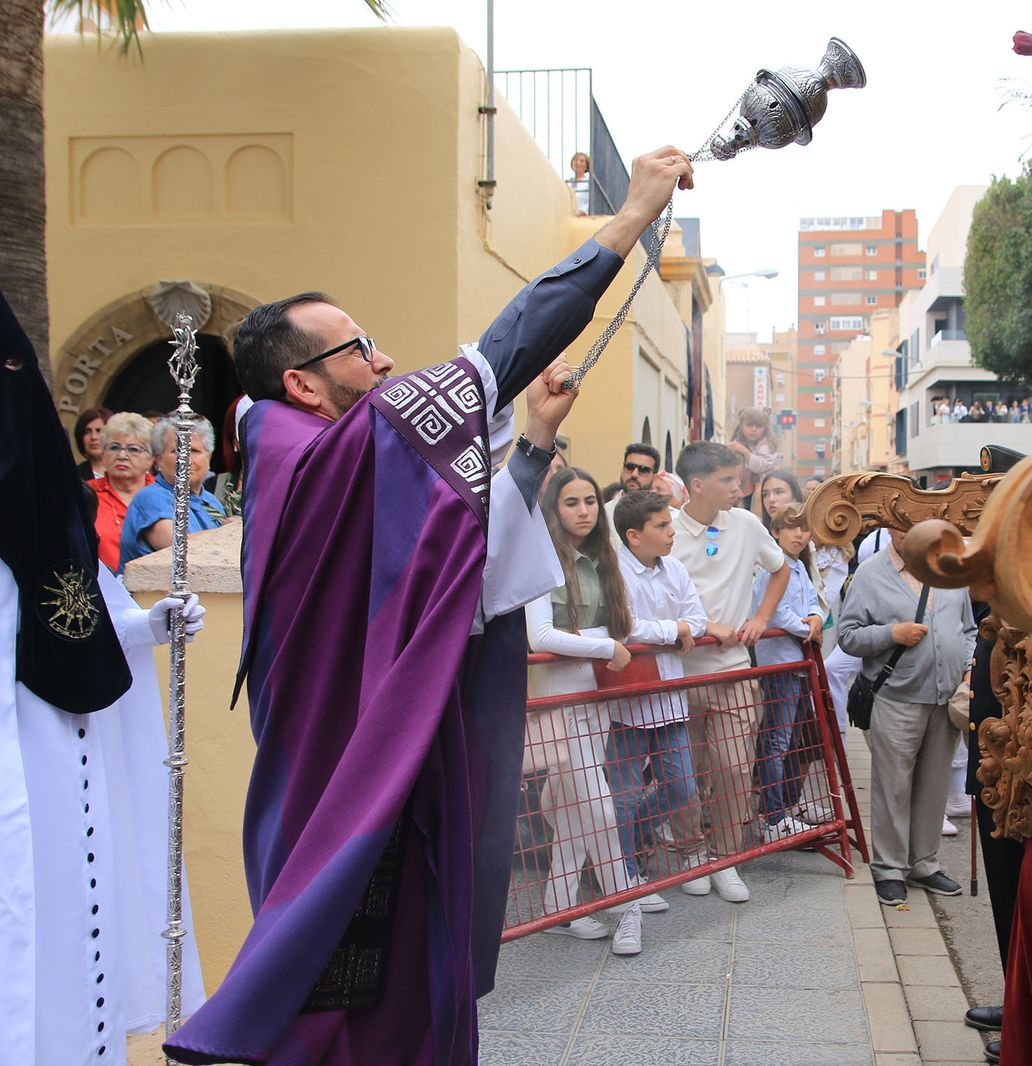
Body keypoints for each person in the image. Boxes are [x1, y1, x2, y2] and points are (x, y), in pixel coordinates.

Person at [164, 145, 694, 1065]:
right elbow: (502, 350)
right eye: (356, 349)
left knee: (393, 983)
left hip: (362, 765)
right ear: (300, 383)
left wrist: (534, 442)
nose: (383, 361)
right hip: (353, 779)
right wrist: (630, 218)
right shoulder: (321, 456)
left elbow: (463, 560)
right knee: (362, 999)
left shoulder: (310, 457)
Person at [1, 290, 206, 1066]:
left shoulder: (50, 520)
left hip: (52, 764)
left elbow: (87, 619)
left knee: (63, 934)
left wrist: (150, 627)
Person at [525, 467, 655, 957]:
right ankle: (627, 905)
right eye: (571, 502)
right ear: (553, 510)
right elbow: (539, 636)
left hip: (594, 700)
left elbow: (623, 627)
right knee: (595, 806)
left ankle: (559, 908)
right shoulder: (541, 560)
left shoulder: (603, 559)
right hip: (557, 706)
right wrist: (603, 647)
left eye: (589, 502)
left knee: (575, 809)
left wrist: (590, 639)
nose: (583, 511)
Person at [669, 441, 789, 902]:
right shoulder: (666, 530)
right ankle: (691, 853)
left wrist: (762, 617)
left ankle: (726, 858)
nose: (739, 488)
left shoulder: (745, 524)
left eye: (738, 479)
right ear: (697, 485)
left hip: (734, 670)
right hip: (678, 675)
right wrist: (696, 628)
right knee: (684, 774)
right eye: (728, 480)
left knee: (734, 769)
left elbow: (780, 569)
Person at [837, 527, 976, 907]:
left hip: (944, 697)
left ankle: (924, 863)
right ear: (890, 527)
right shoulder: (870, 573)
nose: (913, 530)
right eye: (903, 524)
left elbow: (968, 629)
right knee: (893, 786)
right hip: (897, 696)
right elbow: (848, 636)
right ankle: (889, 868)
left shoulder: (948, 566)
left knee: (934, 786)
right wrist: (891, 633)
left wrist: (969, 666)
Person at [608, 490, 707, 888]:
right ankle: (625, 873)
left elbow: (698, 619)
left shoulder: (675, 569)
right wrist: (675, 630)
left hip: (669, 697)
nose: (672, 531)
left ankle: (633, 838)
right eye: (662, 525)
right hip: (627, 702)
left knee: (682, 787)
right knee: (625, 794)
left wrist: (678, 629)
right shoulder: (614, 570)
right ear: (634, 535)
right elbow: (625, 627)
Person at [960, 601, 1025, 1066]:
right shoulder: (997, 606)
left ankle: (1025, 1010)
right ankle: (1017, 1000)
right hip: (993, 770)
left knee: (1017, 897)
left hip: (1017, 775)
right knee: (1005, 899)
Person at [750, 505, 824, 843]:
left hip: (797, 662)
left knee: (791, 739)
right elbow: (776, 613)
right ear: (775, 532)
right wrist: (807, 630)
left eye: (803, 529)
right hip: (779, 663)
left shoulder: (799, 567)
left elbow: (812, 602)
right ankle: (772, 815)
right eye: (791, 528)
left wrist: (815, 619)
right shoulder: (772, 568)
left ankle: (784, 807)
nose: (798, 535)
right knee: (776, 741)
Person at [119, 414, 226, 571]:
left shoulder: (211, 502)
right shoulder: (152, 498)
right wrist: (229, 535)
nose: (186, 459)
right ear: (158, 459)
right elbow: (180, 549)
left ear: (209, 457)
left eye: (194, 450)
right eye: (177, 450)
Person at [88, 411, 156, 572]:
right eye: (114, 447)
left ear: (151, 458)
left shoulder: (165, 495)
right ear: (103, 454)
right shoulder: (87, 495)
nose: (122, 455)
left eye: (133, 449)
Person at [602, 441, 660, 539]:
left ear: (654, 477)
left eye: (643, 470)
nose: (634, 474)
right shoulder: (603, 515)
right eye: (629, 467)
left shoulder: (668, 516)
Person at [727, 407, 778, 509]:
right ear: (741, 426)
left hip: (763, 485)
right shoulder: (738, 441)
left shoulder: (766, 444)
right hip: (743, 485)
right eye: (749, 425)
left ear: (765, 428)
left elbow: (762, 466)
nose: (754, 429)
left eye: (759, 426)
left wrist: (745, 452)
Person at [74, 405, 113, 480]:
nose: (93, 437)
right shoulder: (74, 476)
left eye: (99, 431)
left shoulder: (126, 474)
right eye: (87, 432)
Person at [569, 151, 592, 215]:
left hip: (583, 217)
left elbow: (593, 202)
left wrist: (582, 211)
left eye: (581, 161)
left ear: (586, 167)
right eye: (575, 160)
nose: (578, 162)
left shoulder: (589, 183)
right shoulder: (567, 183)